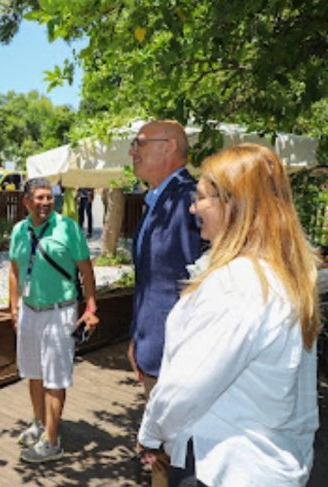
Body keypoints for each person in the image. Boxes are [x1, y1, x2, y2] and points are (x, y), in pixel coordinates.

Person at [137, 144, 320, 486]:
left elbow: (187, 386)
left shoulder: (239, 284)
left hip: (225, 466)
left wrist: (150, 432)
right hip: (270, 461)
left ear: (236, 205)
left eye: (202, 197)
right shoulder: (281, 275)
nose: (193, 208)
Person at [127, 120, 203, 487]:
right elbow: (150, 283)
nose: (132, 151)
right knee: (161, 457)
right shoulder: (160, 198)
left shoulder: (189, 201)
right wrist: (137, 337)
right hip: (153, 350)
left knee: (175, 461)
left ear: (169, 146)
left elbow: (196, 288)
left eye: (139, 142)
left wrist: (182, 357)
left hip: (177, 359)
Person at [8, 177, 100, 463]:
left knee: (55, 377)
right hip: (29, 311)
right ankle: (38, 423)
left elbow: (85, 270)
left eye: (50, 197)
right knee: (34, 373)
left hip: (60, 312)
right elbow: (14, 270)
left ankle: (52, 440)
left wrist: (91, 307)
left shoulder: (67, 227)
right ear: (27, 201)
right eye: (40, 197)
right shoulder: (19, 231)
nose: (46, 202)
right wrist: (13, 308)